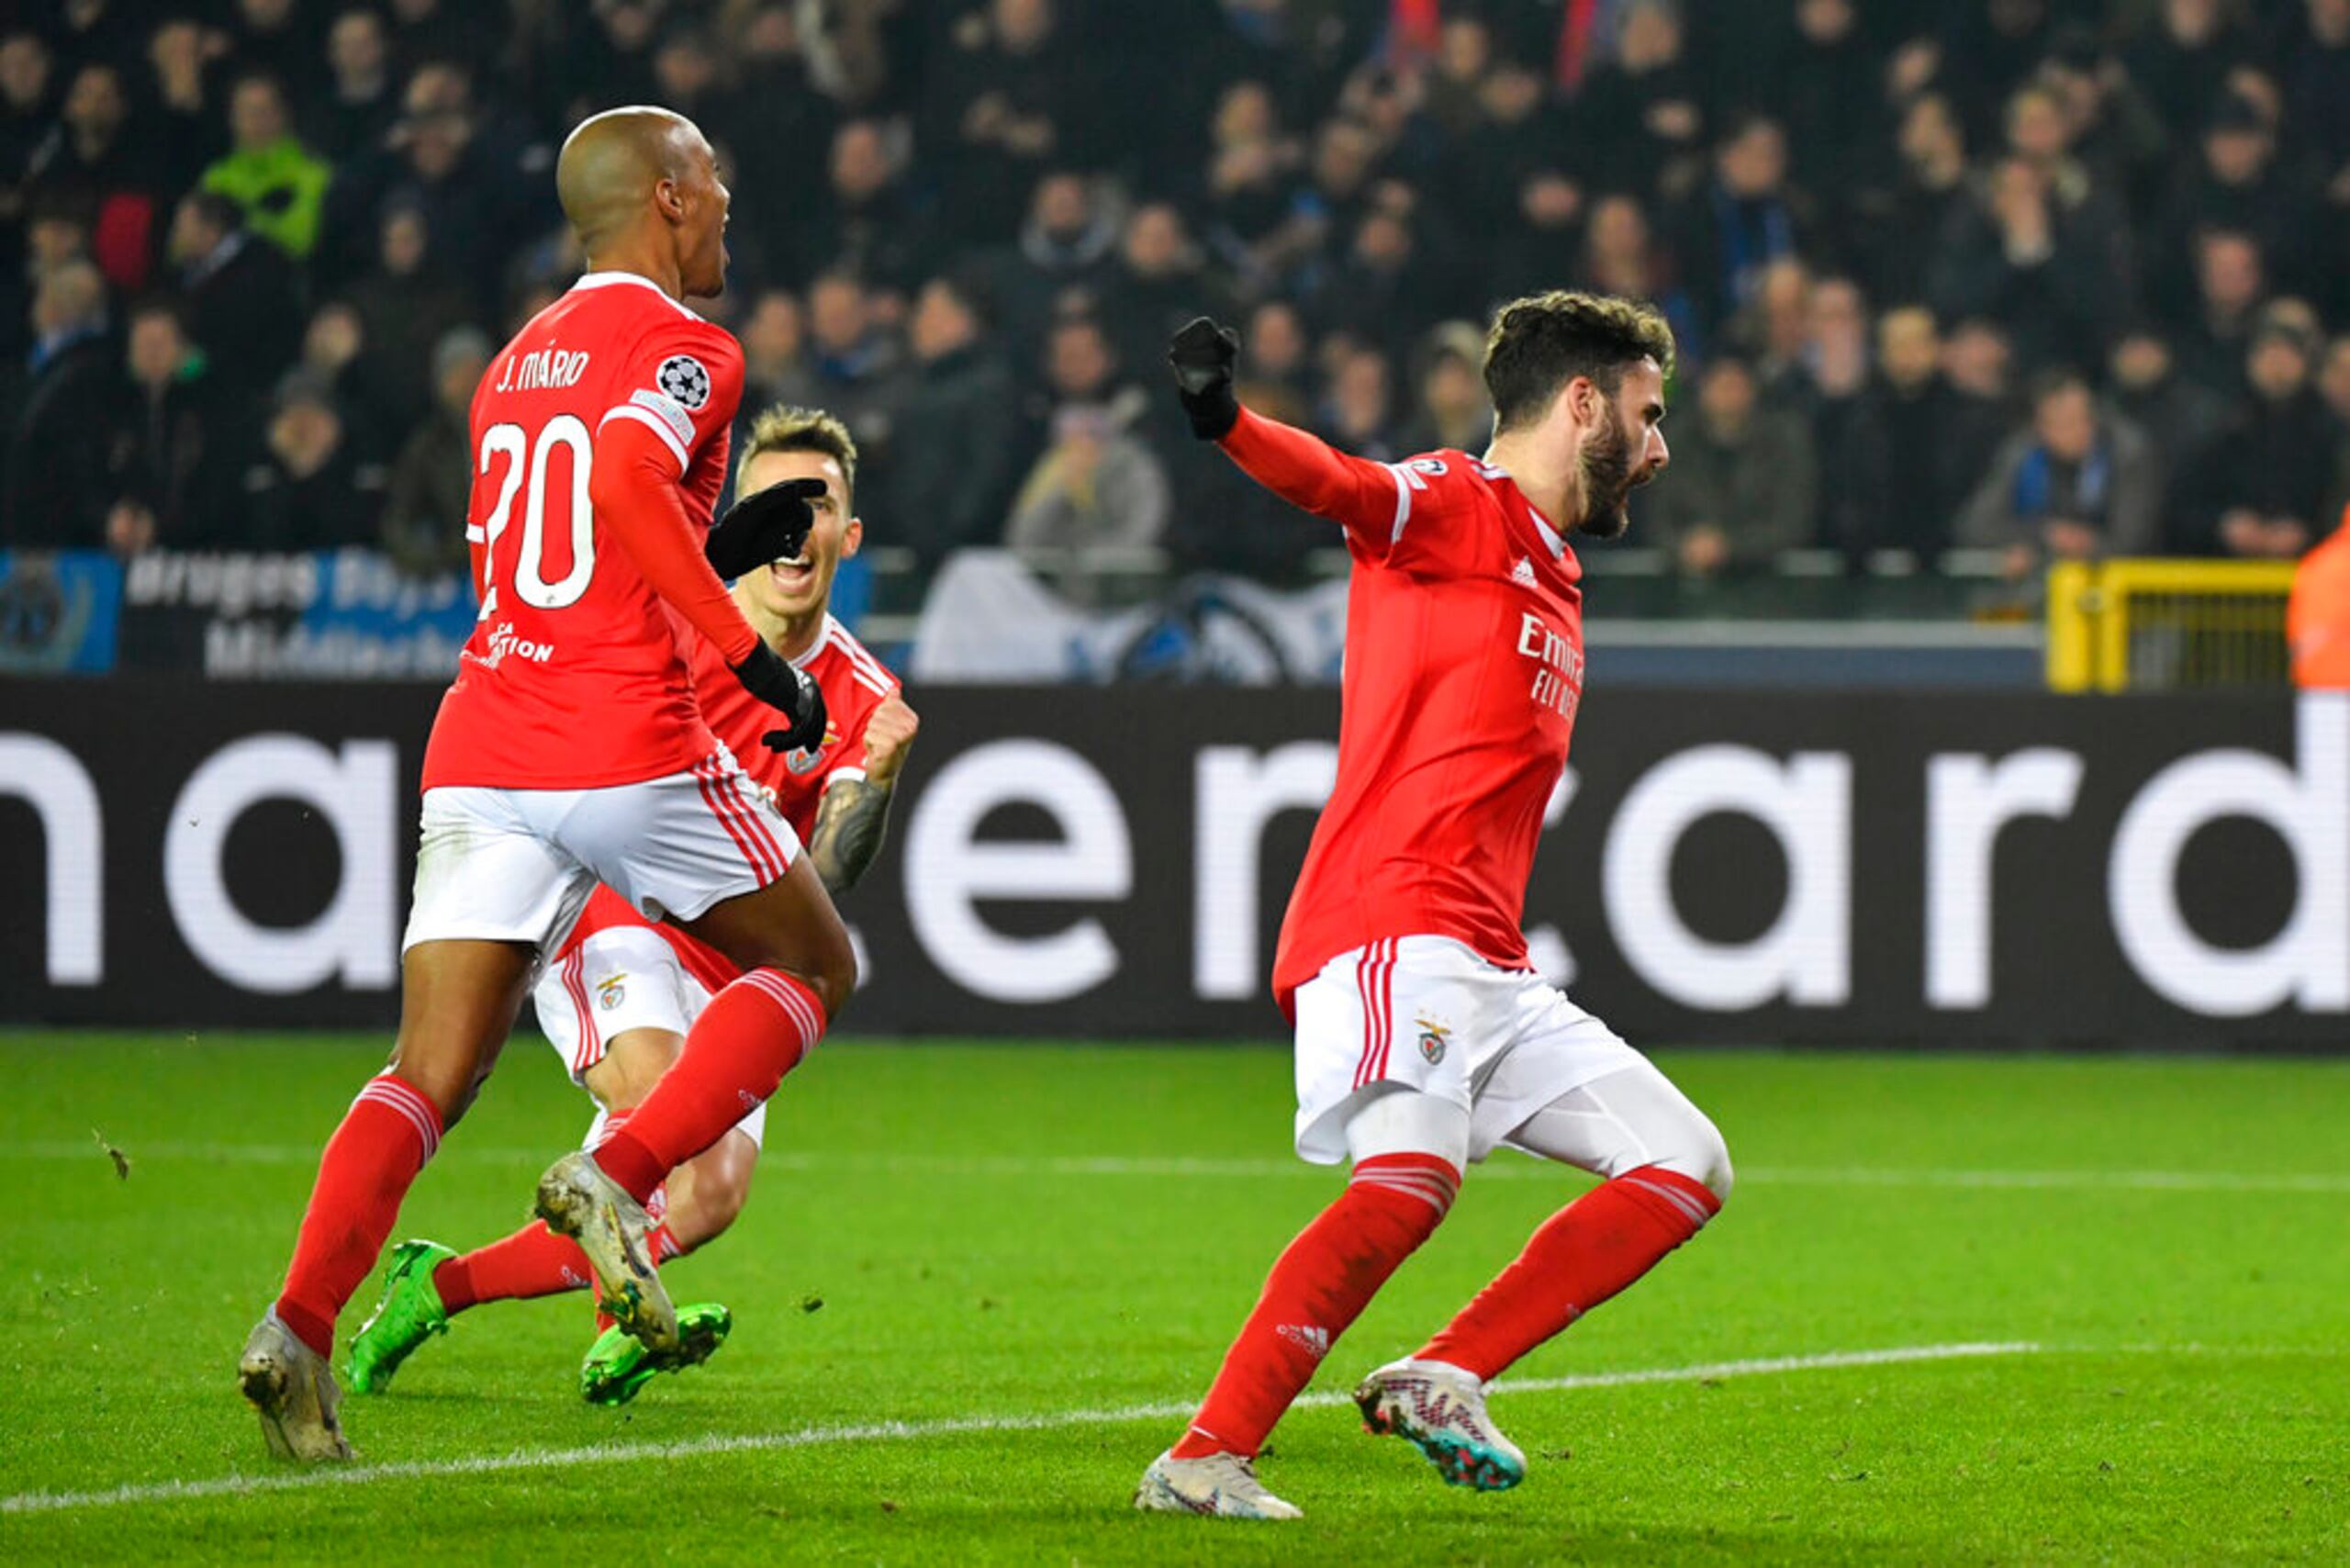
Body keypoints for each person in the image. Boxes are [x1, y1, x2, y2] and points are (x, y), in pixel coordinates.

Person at [236, 106, 854, 1464]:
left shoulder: (511, 364)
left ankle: (296, 1326)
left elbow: (569, 533)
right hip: (621, 736)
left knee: (428, 1072)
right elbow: (631, 477)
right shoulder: (692, 346)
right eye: (718, 179)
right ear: (672, 199)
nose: (733, 200)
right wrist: (748, 653)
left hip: (488, 729)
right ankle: (614, 1174)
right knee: (814, 966)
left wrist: (705, 540)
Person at [1135, 293, 1729, 1519]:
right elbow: (1342, 487)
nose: (1661, 445)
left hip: (1485, 961)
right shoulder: (1460, 503)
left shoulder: (1552, 567)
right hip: (1392, 924)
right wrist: (1223, 420)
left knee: (1685, 1161)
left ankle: (1443, 1370)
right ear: (1581, 403)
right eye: (1648, 411)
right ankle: (1202, 1458)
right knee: (1407, 1186)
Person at [344, 406, 916, 1406]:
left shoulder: (865, 691)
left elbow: (827, 884)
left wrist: (876, 779)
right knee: (652, 1114)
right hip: (620, 909)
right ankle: (626, 1319)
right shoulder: (681, 630)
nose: (792, 528)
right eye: (768, 504)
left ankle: (436, 1284)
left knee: (709, 1192)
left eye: (814, 506)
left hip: (735, 964)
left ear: (847, 535)